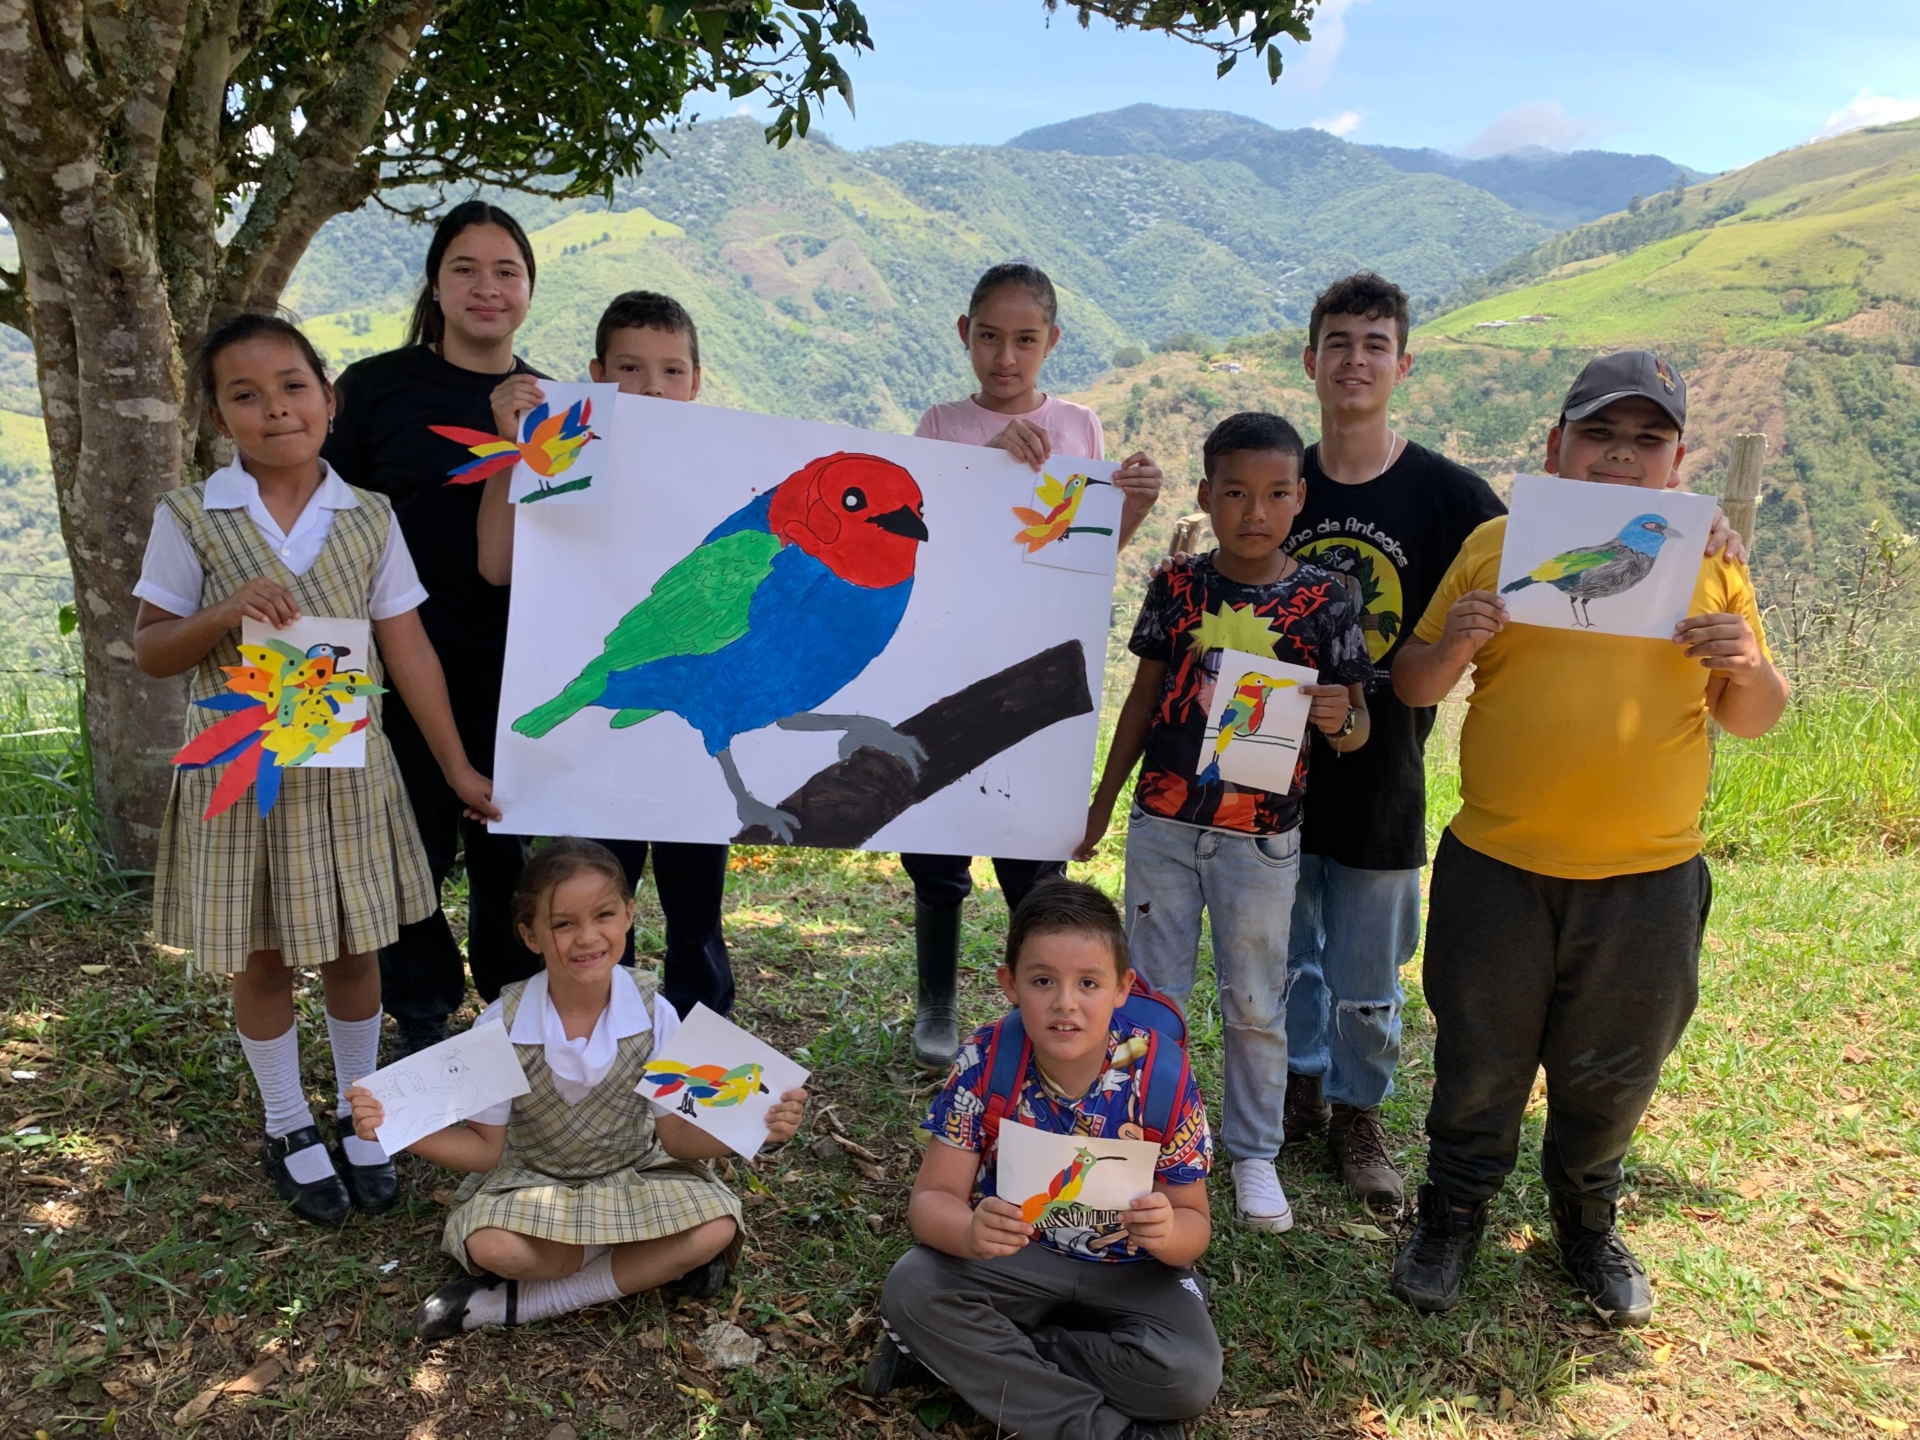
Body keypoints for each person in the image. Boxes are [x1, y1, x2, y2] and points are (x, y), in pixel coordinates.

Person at [1389, 351, 1788, 1325]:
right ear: (1557, 446)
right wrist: (1457, 643)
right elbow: (1412, 684)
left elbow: (1756, 717)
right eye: (1600, 435)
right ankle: (1452, 1212)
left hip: (1649, 881)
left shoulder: (1712, 562)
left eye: (1646, 440)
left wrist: (1745, 665)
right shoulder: (1496, 543)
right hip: (1496, 868)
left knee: (1614, 1067)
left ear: (1678, 462)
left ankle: (1586, 1222)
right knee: (1479, 1056)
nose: (1621, 456)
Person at [133, 314, 500, 1225]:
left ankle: (358, 1106)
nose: (274, 410)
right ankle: (288, 1120)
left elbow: (408, 649)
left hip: (345, 775)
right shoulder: (191, 516)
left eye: (293, 386)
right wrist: (223, 614)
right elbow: (150, 650)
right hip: (244, 775)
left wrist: (455, 765)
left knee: (352, 947)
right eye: (245, 395)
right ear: (220, 414)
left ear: (329, 400)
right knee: (261, 956)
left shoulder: (368, 516)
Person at [1078, 411, 1371, 1235]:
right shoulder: (1176, 585)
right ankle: (1154, 1142)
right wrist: (1104, 801)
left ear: (1300, 498)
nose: (1255, 512)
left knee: (1254, 1000)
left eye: (1277, 494)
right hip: (1164, 822)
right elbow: (1143, 699)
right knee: (1153, 995)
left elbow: (1357, 733)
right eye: (1235, 492)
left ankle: (1253, 1155)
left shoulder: (1327, 598)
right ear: (1206, 494)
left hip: (1262, 835)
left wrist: (1338, 718)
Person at [346, 839, 807, 1339]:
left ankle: (523, 1303)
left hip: (634, 1172)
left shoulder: (657, 1013)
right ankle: (642, 1262)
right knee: (492, 1247)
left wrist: (761, 1126)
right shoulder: (500, 1024)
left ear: (629, 915)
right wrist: (397, 1129)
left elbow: (676, 1139)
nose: (587, 938)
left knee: (717, 1224)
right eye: (563, 924)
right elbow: (483, 1150)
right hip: (532, 1180)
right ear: (530, 935)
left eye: (604, 914)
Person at [1276, 272, 1505, 1217]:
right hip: (1270, 766)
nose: (1356, 359)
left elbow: (1564, 558)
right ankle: (1292, 1087)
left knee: (1370, 972)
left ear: (1402, 364)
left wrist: (1710, 540)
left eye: (1375, 343)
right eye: (1339, 341)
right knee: (1284, 954)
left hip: (1387, 769)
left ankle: (1357, 1112)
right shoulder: (1279, 479)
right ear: (1312, 360)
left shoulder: (1450, 497)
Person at [903, 260, 1164, 1072]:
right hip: (949, 659)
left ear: (1052, 341)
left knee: (1031, 849)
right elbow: (921, 544)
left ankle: (1046, 1001)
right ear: (964, 335)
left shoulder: (1080, 427)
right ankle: (938, 1001)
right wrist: (987, 469)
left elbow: (1080, 560)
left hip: (1040, 666)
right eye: (989, 337)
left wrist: (1138, 506)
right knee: (938, 840)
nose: (1005, 358)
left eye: (1024, 340)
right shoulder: (940, 426)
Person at [865, 880, 1221, 1440]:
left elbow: (1194, 1229)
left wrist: (1166, 1229)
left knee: (1188, 1376)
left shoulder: (1163, 1077)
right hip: (1016, 1258)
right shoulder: (986, 1060)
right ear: (1009, 984)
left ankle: (975, 1353)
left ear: (1123, 988)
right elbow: (932, 1202)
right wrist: (970, 1231)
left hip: (1130, 1272)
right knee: (912, 1287)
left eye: (1088, 983)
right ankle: (1105, 1431)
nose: (1065, 1004)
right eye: (1042, 981)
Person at [323, 201, 547, 1058]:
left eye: (506, 271)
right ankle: (420, 1007)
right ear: (436, 283)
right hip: (388, 659)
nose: (486, 288)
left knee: (505, 841)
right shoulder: (373, 390)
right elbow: (324, 521)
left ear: (529, 288)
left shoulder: (553, 402)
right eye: (466, 269)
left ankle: (510, 999)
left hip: (516, 659)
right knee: (403, 840)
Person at [476, 291, 735, 1018]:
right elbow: (496, 565)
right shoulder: (563, 458)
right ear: (594, 375)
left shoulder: (731, 465)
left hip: (689, 728)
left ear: (697, 380)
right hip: (595, 731)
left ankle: (697, 1061)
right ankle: (588, 1050)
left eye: (671, 371)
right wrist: (513, 449)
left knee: (697, 915)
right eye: (630, 368)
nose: (652, 389)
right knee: (590, 899)